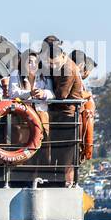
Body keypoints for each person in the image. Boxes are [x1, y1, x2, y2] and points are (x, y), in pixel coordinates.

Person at [38, 37, 85, 183]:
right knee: (57, 152)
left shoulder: (68, 69)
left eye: (54, 63)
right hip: (59, 115)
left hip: (68, 116)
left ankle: (61, 181)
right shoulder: (59, 67)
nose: (53, 66)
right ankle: (55, 180)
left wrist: (46, 93)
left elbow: (61, 95)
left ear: (62, 56)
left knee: (65, 154)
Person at [8, 49, 53, 136]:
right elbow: (12, 93)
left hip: (41, 114)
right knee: (23, 140)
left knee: (43, 142)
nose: (33, 65)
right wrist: (29, 93)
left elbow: (52, 94)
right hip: (22, 115)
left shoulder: (44, 76)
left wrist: (43, 94)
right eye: (29, 62)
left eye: (35, 62)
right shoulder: (16, 74)